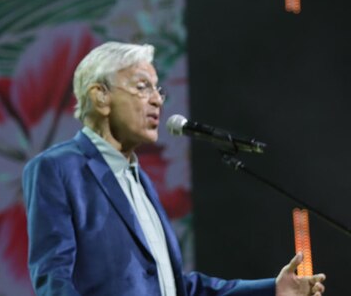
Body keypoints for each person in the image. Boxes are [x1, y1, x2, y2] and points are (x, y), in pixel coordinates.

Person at [22, 42, 326, 296]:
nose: (157, 100)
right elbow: (54, 280)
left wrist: (272, 289)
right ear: (100, 96)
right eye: (142, 87)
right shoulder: (56, 169)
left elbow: (176, 286)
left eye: (158, 90)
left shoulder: (140, 182)